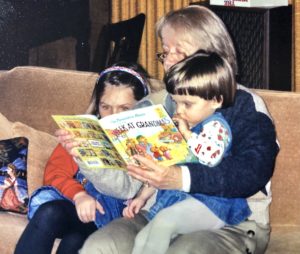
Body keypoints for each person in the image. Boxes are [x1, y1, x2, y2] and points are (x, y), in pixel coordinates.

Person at [78, 5, 278, 254]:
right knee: (98, 246)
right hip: (158, 209)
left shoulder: (244, 105)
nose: (169, 61)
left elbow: (252, 172)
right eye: (165, 52)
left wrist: (181, 178)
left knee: (184, 250)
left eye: (179, 52)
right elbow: (127, 186)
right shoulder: (152, 105)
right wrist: (88, 155)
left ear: (211, 56)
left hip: (232, 222)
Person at [14, 62, 150, 254]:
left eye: (124, 108)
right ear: (97, 106)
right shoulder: (82, 132)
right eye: (106, 107)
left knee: (75, 241)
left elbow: (132, 188)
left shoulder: (144, 141)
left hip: (108, 215)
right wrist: (79, 195)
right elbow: (55, 173)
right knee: (49, 212)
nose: (113, 116)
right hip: (74, 206)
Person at [124, 50, 252, 254]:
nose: (179, 110)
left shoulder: (216, 127)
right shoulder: (184, 125)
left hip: (212, 203)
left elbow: (210, 156)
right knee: (141, 239)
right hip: (182, 201)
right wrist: (142, 196)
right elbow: (165, 168)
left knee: (165, 222)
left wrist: (185, 133)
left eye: (188, 104)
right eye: (175, 102)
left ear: (216, 100)